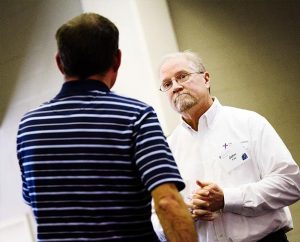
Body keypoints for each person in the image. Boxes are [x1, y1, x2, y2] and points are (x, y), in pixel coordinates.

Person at [16, 13, 198, 242]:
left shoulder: (28, 127)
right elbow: (166, 202)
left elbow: (35, 199)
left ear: (60, 62)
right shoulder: (136, 116)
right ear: (117, 60)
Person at [154, 50, 300, 242]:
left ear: (206, 79)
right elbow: (155, 220)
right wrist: (183, 214)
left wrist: (227, 199)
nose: (176, 87)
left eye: (182, 76)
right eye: (167, 84)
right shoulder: (167, 148)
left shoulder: (249, 123)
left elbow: (290, 183)